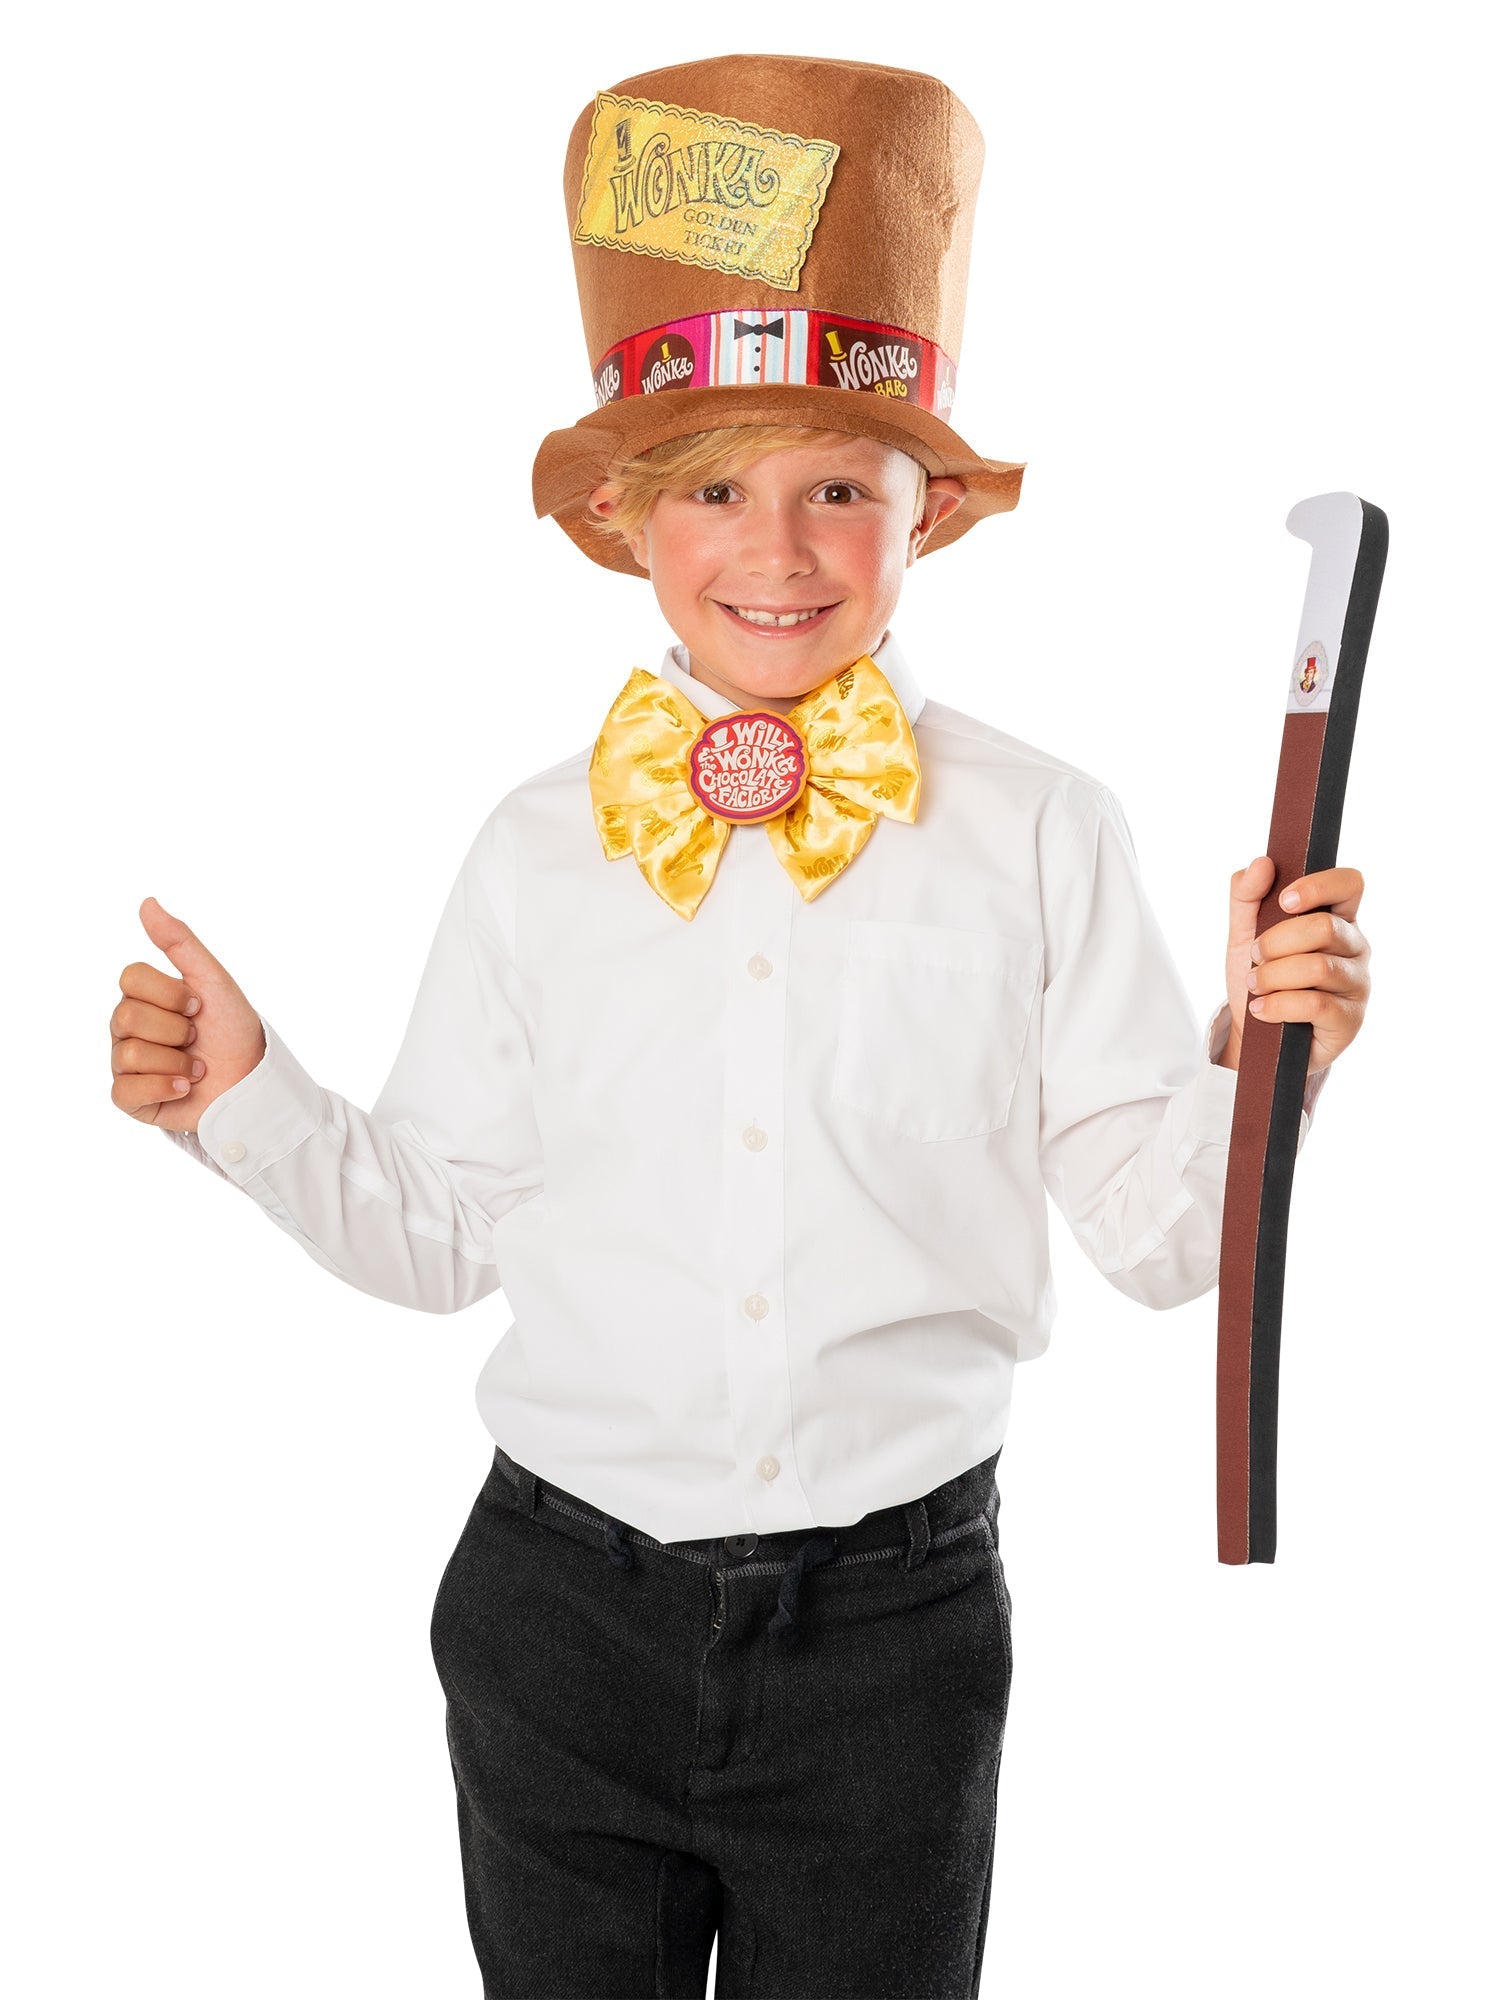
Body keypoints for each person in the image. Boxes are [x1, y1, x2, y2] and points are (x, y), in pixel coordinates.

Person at [110, 55, 1373, 2000]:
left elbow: (1156, 1236)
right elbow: (441, 1232)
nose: (775, 550)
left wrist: (1265, 1066)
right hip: (554, 1612)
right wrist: (246, 1102)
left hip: (894, 1635)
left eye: (837, 489)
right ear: (625, 520)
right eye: (712, 487)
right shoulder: (535, 848)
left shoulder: (1041, 828)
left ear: (921, 515)